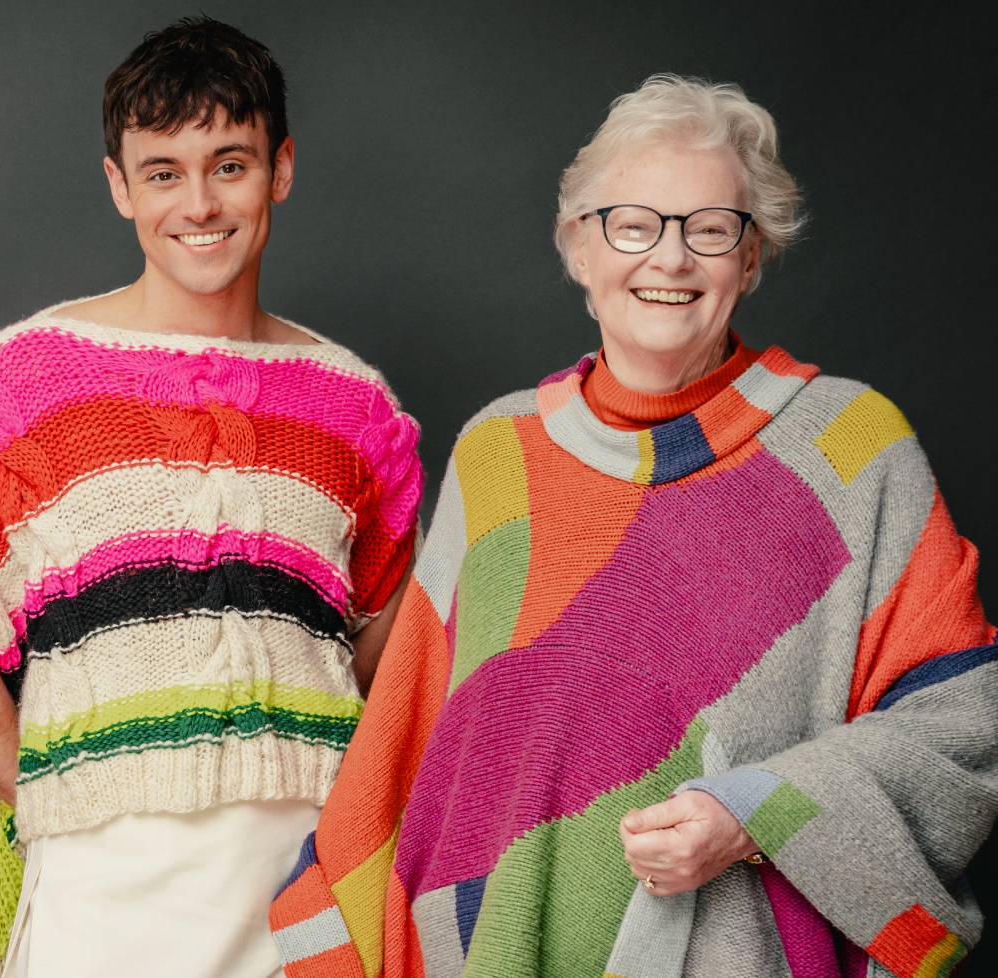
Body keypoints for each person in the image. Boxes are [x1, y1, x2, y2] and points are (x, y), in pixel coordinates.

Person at [270, 73, 997, 978]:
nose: (671, 259)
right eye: (633, 225)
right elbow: (409, 734)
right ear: (580, 246)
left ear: (751, 258)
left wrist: (754, 814)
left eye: (710, 229)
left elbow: (963, 721)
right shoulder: (499, 455)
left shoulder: (849, 450)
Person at [0, 16, 421, 978]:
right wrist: (47, 795)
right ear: (119, 185)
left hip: (306, 883)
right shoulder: (24, 385)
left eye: (230, 165)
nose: (200, 203)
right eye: (163, 172)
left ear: (281, 169)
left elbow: (394, 641)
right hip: (104, 899)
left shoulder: (356, 406)